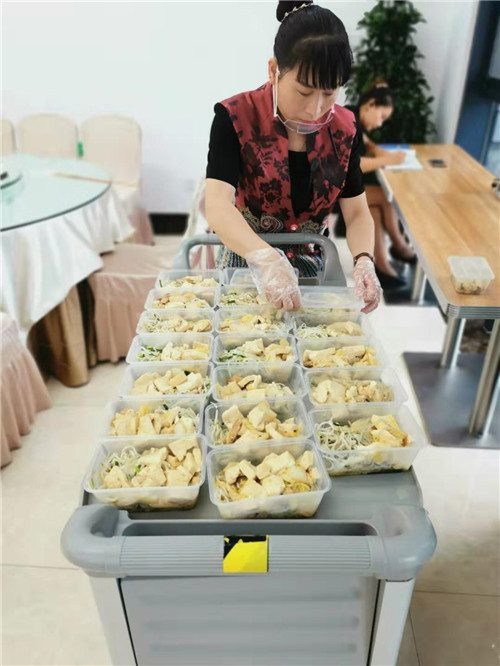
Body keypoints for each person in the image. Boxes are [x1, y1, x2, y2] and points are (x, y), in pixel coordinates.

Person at [204, 0, 382, 313]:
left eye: (329, 93)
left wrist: (364, 260)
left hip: (312, 264)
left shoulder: (345, 129)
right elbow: (218, 205)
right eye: (304, 92)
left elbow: (356, 212)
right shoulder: (236, 117)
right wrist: (267, 260)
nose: (315, 109)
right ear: (274, 70)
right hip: (247, 261)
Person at [344, 81, 417, 289]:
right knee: (385, 197)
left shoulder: (353, 115)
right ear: (371, 105)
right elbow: (352, 165)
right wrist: (388, 160)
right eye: (382, 117)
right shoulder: (349, 121)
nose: (380, 124)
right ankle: (399, 246)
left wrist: (384, 154)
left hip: (344, 187)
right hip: (334, 191)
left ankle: (381, 266)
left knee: (374, 211)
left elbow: (369, 145)